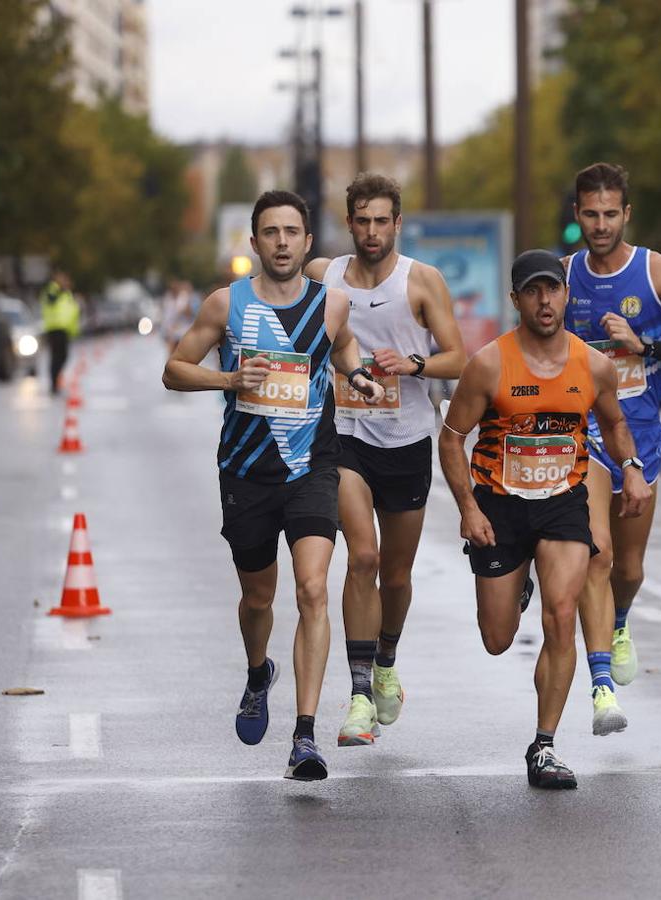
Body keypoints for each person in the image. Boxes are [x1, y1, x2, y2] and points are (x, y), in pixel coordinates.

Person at [162, 190, 381, 781]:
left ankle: (304, 737)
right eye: (270, 232)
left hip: (312, 465)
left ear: (308, 242)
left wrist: (357, 374)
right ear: (255, 242)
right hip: (246, 471)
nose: (282, 242)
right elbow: (174, 370)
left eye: (292, 232)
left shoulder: (331, 304)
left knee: (313, 589)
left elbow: (342, 346)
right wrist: (228, 378)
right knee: (259, 598)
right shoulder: (224, 305)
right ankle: (258, 671)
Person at [438, 249, 652, 789]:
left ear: (564, 294)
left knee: (562, 615)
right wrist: (468, 507)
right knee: (497, 637)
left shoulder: (592, 364)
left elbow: (615, 423)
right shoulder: (489, 363)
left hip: (562, 500)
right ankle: (516, 585)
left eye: (552, 289)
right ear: (516, 301)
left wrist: (631, 467)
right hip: (500, 505)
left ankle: (545, 745)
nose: (544, 300)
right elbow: (452, 438)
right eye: (532, 291)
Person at [302, 174, 468, 746]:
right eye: (362, 220)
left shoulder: (420, 281)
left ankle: (387, 660)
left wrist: (415, 365)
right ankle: (357, 697)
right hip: (345, 435)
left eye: (382, 221)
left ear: (398, 223)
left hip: (408, 439)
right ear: (348, 223)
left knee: (396, 575)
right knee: (364, 558)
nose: (372, 232)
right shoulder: (322, 276)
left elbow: (459, 359)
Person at [562, 162, 661, 736]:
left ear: (627, 214)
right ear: (577, 215)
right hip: (583, 437)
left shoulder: (656, 271)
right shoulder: (565, 275)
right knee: (596, 555)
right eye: (590, 214)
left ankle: (620, 620)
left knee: (628, 565)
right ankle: (601, 685)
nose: (600, 225)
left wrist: (645, 344)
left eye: (610, 214)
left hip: (640, 435)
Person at [39, 270, 80, 395]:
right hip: (54, 328)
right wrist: (59, 287)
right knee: (56, 357)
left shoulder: (66, 294)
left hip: (64, 330)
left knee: (63, 356)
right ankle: (53, 384)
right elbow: (51, 299)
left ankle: (55, 381)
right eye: (62, 278)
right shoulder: (52, 290)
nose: (65, 281)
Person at [160, 279, 199, 359]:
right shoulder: (169, 299)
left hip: (184, 331)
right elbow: (167, 316)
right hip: (173, 331)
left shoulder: (189, 298)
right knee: (172, 354)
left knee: (184, 356)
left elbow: (190, 314)